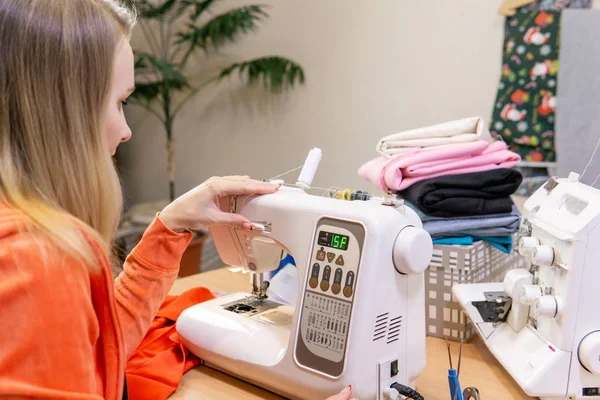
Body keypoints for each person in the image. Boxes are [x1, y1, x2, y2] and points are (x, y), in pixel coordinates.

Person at [0, 1, 357, 399]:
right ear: (65, 112)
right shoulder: (33, 260)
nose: (126, 131)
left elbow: (96, 350)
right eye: (120, 102)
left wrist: (171, 226)